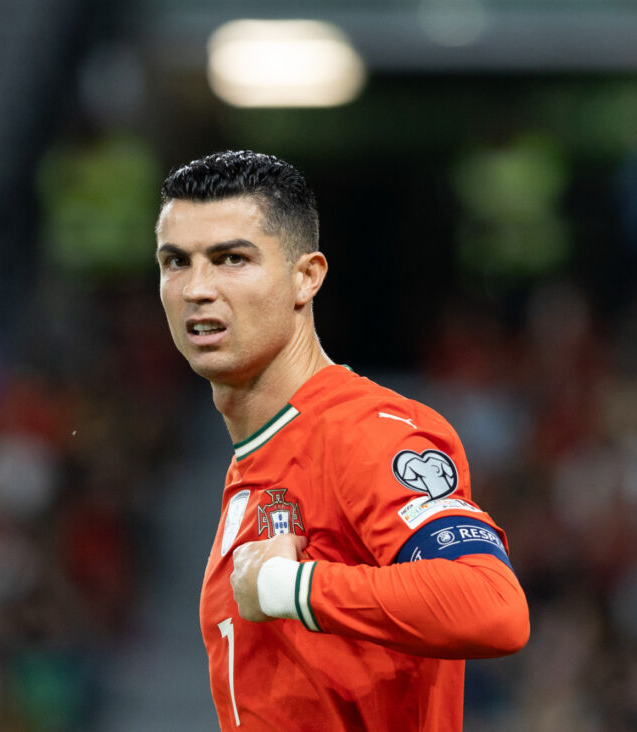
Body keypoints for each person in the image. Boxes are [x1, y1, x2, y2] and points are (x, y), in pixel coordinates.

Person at [155, 150, 530, 731]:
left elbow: (493, 606)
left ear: (306, 277)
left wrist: (293, 585)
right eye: (176, 262)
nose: (197, 288)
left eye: (231, 259)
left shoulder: (362, 430)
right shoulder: (260, 456)